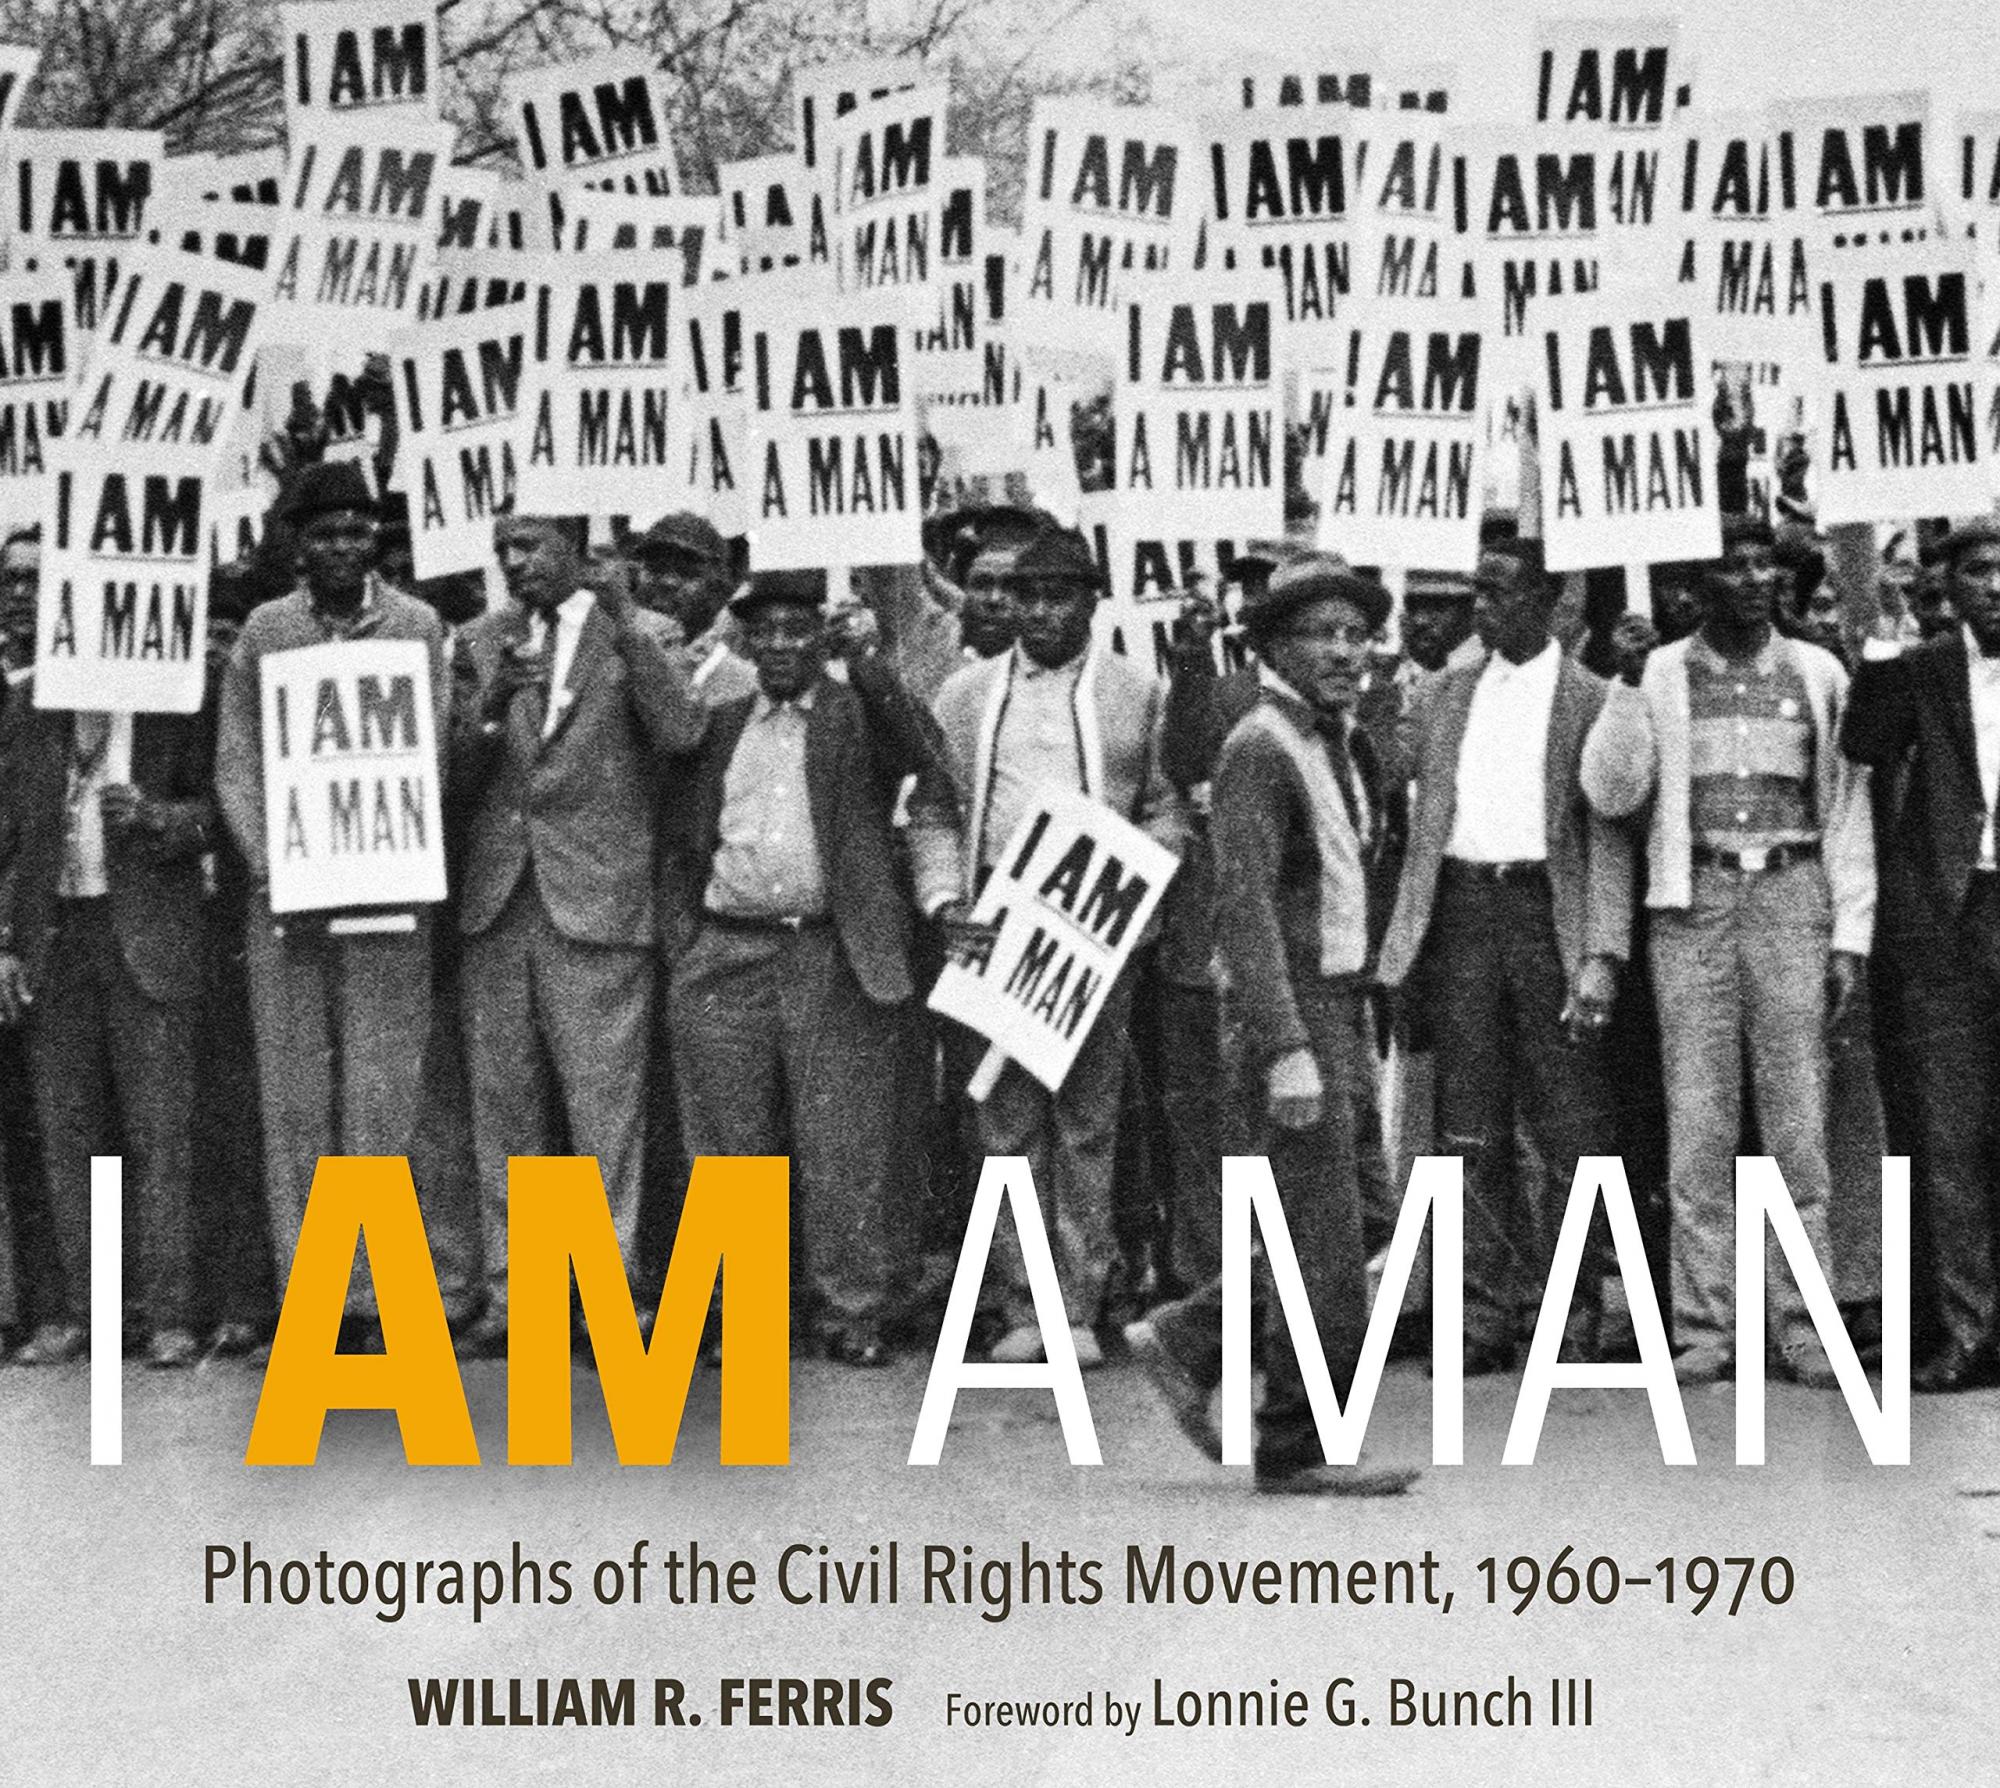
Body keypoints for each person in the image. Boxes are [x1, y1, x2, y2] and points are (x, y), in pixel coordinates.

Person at [1126, 558, 1417, 1495]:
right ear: (1272, 649)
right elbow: (1242, 906)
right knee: (1326, 1235)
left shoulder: (1335, 738)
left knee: (1361, 1214)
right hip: (1291, 1018)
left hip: (1336, 1004)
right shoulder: (1259, 746)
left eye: (1355, 633)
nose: (1344, 650)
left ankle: (1190, 1335)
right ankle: (1296, 1440)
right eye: (1320, 635)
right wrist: (1287, 1047)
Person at [1584, 516, 1870, 1387]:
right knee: (1699, 1123)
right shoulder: (1661, 671)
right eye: (1731, 566)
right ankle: (1703, 1328)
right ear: (1698, 582)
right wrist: (1626, 686)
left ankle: (1806, 1327)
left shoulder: (1818, 671)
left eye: (1762, 566)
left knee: (1797, 1126)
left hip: (1791, 892)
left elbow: (1846, 806)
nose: (1751, 580)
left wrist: (1850, 930)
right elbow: (1610, 789)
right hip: (1693, 901)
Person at [910, 528, 1184, 1367]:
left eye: (1057, 596)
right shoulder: (963, 695)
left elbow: (1164, 806)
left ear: (1091, 603)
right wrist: (945, 899)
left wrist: (1139, 896)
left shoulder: (1137, 693)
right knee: (1002, 1117)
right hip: (997, 909)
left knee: (1087, 1119)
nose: (1038, 612)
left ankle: (1076, 1304)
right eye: (1026, 597)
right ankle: (1023, 1303)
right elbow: (934, 809)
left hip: (1091, 925)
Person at [661, 569, 945, 1366]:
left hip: (827, 947)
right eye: (767, 632)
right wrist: (690, 941)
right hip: (727, 947)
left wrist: (870, 663)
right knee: (728, 1144)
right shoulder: (719, 723)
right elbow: (686, 839)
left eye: (798, 629)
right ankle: (749, 1311)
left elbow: (927, 751)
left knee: (842, 1138)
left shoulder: (857, 715)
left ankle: (853, 1306)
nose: (782, 645)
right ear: (745, 642)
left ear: (821, 638)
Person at [450, 513, 705, 1356]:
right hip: (499, 904)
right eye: (503, 552)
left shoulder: (641, 632)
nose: (513, 564)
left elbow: (682, 733)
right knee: (506, 1112)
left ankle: (607, 1297)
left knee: (605, 1114)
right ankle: (513, 1299)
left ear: (575, 550)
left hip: (595, 902)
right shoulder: (480, 641)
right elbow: (446, 776)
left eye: (530, 547)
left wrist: (627, 624)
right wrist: (490, 707)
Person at [1375, 537, 1632, 1373]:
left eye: (1495, 594)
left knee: (1570, 1122)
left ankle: (1570, 1307)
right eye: (1476, 594)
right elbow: (1383, 774)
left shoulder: (1594, 698)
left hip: (1545, 913)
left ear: (1548, 601)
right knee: (1469, 1120)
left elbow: (1609, 838)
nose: (1478, 610)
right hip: (1459, 911)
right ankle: (1484, 1311)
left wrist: (1601, 955)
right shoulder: (1443, 693)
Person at [214, 462, 456, 1345]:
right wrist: (270, 860)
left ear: (377, 540)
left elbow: (429, 749)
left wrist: (396, 843)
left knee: (382, 1099)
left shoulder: (420, 626)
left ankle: (377, 1296)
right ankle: (314, 1296)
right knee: (297, 1102)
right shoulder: (266, 632)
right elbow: (237, 761)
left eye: (356, 532)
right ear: (298, 546)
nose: (342, 548)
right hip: (291, 899)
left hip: (388, 896)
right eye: (324, 535)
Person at [0, 547, 214, 1368]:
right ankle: (83, 1315)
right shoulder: (29, 708)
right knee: (71, 1136)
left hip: (148, 936)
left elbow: (219, 813)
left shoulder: (168, 704)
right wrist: (7, 942)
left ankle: (168, 1316)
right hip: (58, 938)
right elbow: (10, 837)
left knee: (161, 1133)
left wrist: (157, 818)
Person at [1841, 518, 2000, 1390]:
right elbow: (1865, 743)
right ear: (1953, 589)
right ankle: (1969, 1334)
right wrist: (1884, 640)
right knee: (1950, 1133)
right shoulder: (1927, 668)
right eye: (1979, 573)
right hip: (1948, 920)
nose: (1998, 585)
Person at [627, 511, 757, 705]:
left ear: (718, 586)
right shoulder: (610, 659)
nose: (668, 582)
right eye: (656, 569)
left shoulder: (743, 682)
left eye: (686, 573)